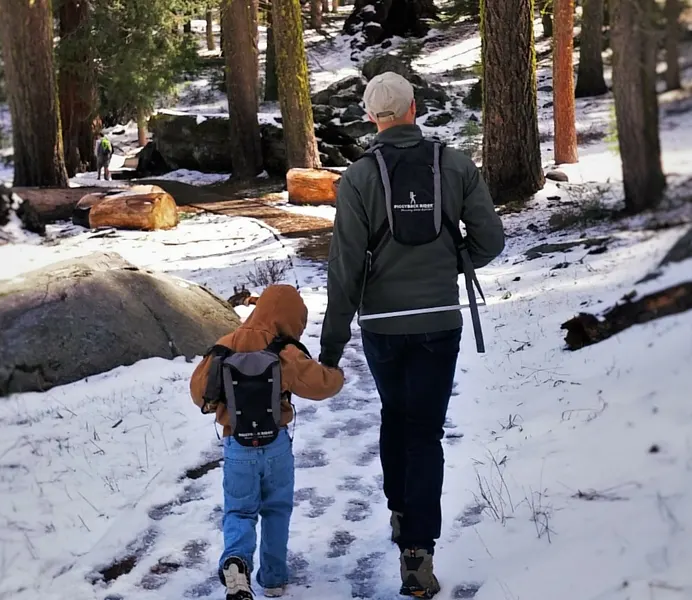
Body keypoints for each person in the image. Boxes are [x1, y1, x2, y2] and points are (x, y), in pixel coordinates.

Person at [318, 71, 505, 599]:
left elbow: (345, 268)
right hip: (439, 321)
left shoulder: (356, 178)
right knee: (424, 433)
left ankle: (401, 514)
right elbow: (491, 239)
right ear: (414, 108)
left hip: (381, 327)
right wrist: (454, 262)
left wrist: (332, 346)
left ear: (372, 117)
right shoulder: (455, 164)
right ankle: (418, 555)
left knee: (394, 419)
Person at [190, 284, 344, 600]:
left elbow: (197, 392)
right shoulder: (283, 351)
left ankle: (236, 562)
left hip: (237, 447)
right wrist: (336, 373)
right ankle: (273, 578)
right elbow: (320, 386)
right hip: (275, 445)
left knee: (239, 512)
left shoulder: (225, 346)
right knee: (276, 510)